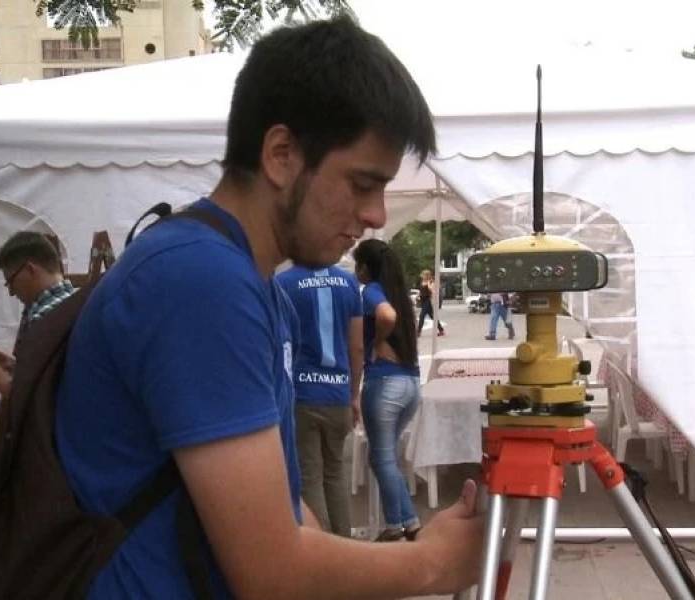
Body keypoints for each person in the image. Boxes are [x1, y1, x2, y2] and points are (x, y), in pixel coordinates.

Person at [55, 17, 482, 599]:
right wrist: (432, 564)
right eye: (362, 184)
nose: (378, 215)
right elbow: (271, 572)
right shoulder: (200, 280)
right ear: (281, 154)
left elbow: (284, 512)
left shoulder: (250, 281)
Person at [275, 263, 363, 537]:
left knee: (309, 477)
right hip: (338, 394)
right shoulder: (348, 282)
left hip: (301, 395)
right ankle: (345, 545)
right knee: (336, 473)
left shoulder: (283, 283)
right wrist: (354, 393)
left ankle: (323, 549)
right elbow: (357, 346)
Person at [353, 239, 423, 542]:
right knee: (383, 458)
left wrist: (378, 342)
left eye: (357, 264)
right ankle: (399, 522)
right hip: (410, 385)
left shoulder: (371, 292)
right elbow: (394, 316)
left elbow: (385, 316)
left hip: (384, 385)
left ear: (366, 268)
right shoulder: (400, 297)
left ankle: (405, 522)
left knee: (381, 458)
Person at [0, 231, 75, 397]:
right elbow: (49, 373)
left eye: (11, 281)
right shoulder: (73, 302)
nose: (12, 292)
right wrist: (13, 365)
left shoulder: (46, 318)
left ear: (30, 269)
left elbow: (26, 397)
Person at [417, 268, 445, 337]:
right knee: (433, 317)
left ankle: (418, 332)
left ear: (426, 275)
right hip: (423, 301)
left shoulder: (430, 282)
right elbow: (421, 291)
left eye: (423, 275)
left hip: (427, 301)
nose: (422, 276)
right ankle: (441, 330)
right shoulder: (422, 282)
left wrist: (429, 284)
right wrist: (418, 296)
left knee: (422, 316)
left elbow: (432, 291)